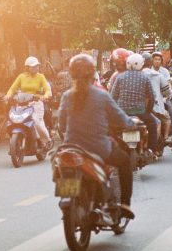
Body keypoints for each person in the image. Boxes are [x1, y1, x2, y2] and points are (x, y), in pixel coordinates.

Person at [58, 54, 136, 211]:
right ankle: (125, 204)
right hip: (99, 149)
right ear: (92, 73)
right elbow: (120, 117)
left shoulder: (67, 96)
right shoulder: (101, 95)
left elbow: (61, 123)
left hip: (71, 149)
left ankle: (74, 195)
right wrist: (132, 124)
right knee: (125, 161)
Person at [111, 53, 160, 155]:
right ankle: (151, 149)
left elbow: (113, 96)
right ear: (141, 64)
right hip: (140, 112)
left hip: (123, 112)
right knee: (153, 123)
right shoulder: (144, 77)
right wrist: (148, 111)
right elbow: (151, 97)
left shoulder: (120, 77)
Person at [5, 56, 53, 150]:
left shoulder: (41, 77)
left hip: (36, 104)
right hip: (23, 104)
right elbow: (12, 89)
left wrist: (45, 96)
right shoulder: (21, 76)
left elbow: (48, 90)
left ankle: (45, 140)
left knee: (36, 122)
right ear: (27, 67)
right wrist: (7, 96)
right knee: (16, 120)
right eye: (33, 66)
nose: (36, 68)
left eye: (37, 66)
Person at [150, 52, 172, 144]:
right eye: (155, 59)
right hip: (153, 98)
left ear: (161, 61)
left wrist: (167, 96)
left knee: (171, 113)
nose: (157, 61)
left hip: (164, 97)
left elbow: (167, 85)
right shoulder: (149, 71)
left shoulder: (165, 71)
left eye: (159, 59)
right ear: (152, 61)